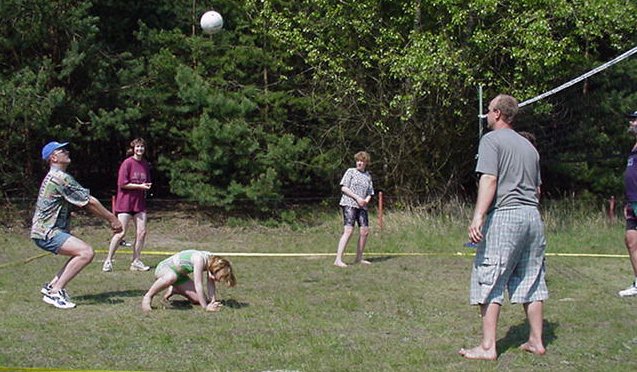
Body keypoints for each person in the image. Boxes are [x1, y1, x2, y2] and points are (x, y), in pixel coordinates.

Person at [459, 94, 549, 360]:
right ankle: (536, 340)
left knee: (490, 276)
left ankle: (488, 347)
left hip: (506, 216)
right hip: (532, 217)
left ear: (498, 113)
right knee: (532, 278)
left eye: (488, 111)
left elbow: (489, 179)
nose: (486, 115)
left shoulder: (491, 140)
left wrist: (478, 217)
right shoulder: (529, 147)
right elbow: (537, 189)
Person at [31, 141, 123, 309]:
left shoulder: (55, 176)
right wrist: (112, 219)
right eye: (62, 150)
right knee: (86, 252)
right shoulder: (60, 178)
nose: (66, 151)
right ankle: (56, 292)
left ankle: (51, 286)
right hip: (48, 232)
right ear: (53, 157)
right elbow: (89, 202)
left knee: (79, 253)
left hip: (43, 231)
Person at [102, 138, 152, 272]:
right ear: (133, 148)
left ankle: (136, 261)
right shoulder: (127, 163)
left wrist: (145, 186)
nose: (140, 149)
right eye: (137, 147)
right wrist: (139, 186)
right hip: (125, 204)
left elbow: (145, 182)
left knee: (142, 232)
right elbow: (122, 184)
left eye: (142, 147)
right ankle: (108, 260)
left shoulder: (145, 164)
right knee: (121, 233)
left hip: (139, 204)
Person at [141, 250, 236, 312]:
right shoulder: (200, 260)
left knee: (198, 299)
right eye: (216, 277)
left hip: (179, 275)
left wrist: (212, 302)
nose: (215, 280)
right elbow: (198, 284)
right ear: (215, 269)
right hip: (165, 269)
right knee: (171, 277)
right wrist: (205, 307)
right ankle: (148, 297)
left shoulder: (212, 261)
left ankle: (175, 289)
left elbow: (210, 283)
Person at [334, 151, 374, 268]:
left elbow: (370, 192)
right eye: (358, 161)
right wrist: (357, 198)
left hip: (362, 206)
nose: (359, 163)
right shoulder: (350, 172)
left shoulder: (368, 176)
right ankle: (338, 259)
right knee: (349, 230)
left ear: (366, 162)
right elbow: (344, 188)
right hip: (349, 204)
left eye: (362, 161)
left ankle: (359, 258)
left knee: (364, 231)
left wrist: (366, 200)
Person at [619, 110, 637, 297]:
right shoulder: (633, 148)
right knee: (631, 241)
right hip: (633, 202)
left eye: (634, 120)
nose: (631, 123)